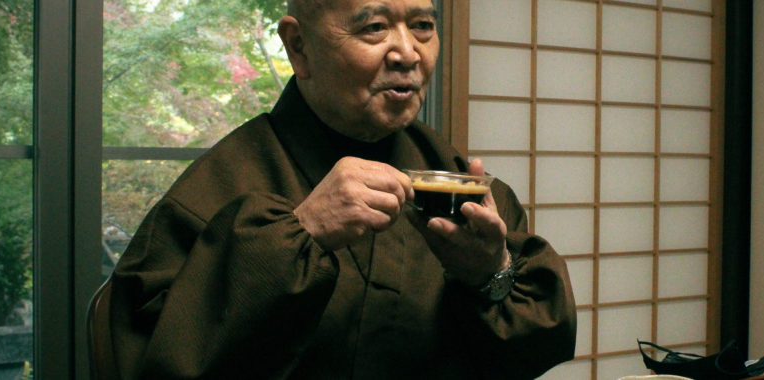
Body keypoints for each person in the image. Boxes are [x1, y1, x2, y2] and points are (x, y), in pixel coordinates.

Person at [107, 0, 577, 378]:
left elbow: (530, 354)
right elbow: (149, 361)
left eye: (422, 26)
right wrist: (299, 234)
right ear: (299, 47)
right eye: (374, 27)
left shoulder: (453, 181)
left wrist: (489, 274)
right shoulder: (217, 190)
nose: (408, 52)